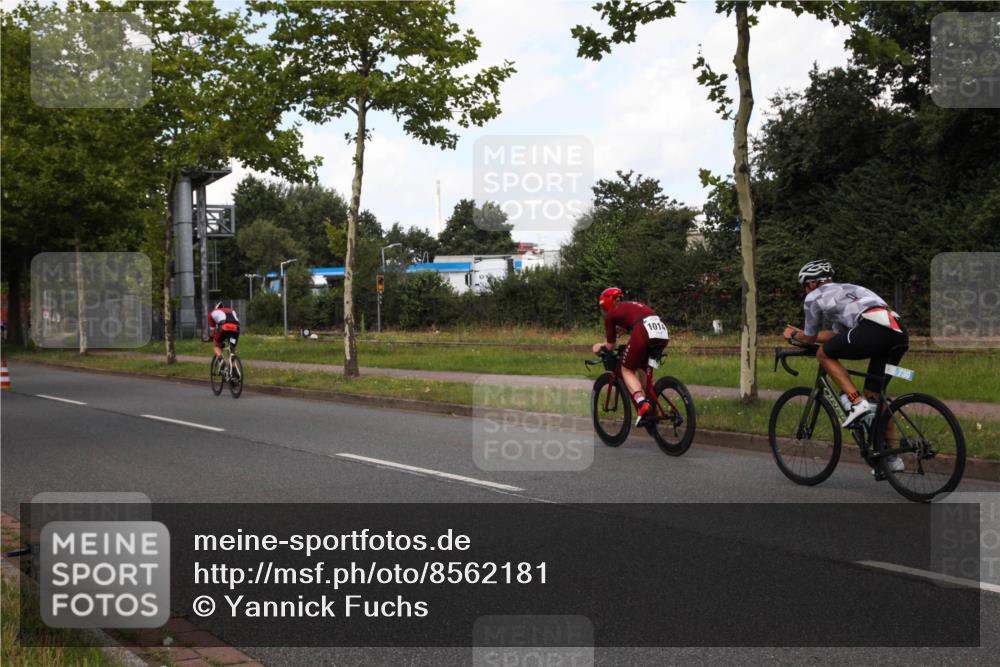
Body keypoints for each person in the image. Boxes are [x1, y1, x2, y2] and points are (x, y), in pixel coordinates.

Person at [783, 260, 909, 437]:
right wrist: (806, 334)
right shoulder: (848, 290)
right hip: (898, 332)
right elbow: (838, 338)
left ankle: (855, 401)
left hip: (872, 329)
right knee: (875, 398)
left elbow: (810, 338)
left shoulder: (814, 296)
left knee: (823, 354)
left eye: (805, 286)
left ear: (812, 283)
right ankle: (890, 460)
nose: (805, 290)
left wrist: (795, 335)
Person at [592, 287, 669, 425]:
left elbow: (611, 346)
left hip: (643, 331)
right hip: (661, 332)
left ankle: (641, 404)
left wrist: (599, 346)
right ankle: (653, 409)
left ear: (606, 304)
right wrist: (626, 329)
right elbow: (636, 319)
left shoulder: (610, 315)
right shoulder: (631, 305)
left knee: (626, 369)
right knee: (642, 369)